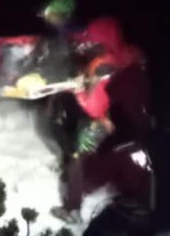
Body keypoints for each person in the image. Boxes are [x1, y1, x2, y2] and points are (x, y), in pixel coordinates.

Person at [51, 16, 151, 222]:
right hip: (133, 122)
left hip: (109, 121)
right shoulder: (126, 55)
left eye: (90, 41)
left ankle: (72, 208)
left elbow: (94, 106)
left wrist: (77, 91)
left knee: (78, 155)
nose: (85, 44)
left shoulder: (101, 66)